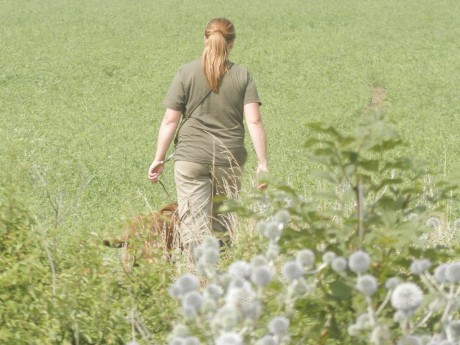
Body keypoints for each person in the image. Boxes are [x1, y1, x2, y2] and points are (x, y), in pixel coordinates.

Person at [147, 18, 268, 254]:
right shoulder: (243, 75)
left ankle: (199, 280)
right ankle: (221, 281)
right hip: (229, 159)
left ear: (205, 40)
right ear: (232, 43)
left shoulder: (186, 72)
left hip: (190, 158)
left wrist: (159, 158)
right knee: (223, 224)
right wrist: (263, 164)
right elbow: (254, 120)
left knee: (194, 225)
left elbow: (170, 120)